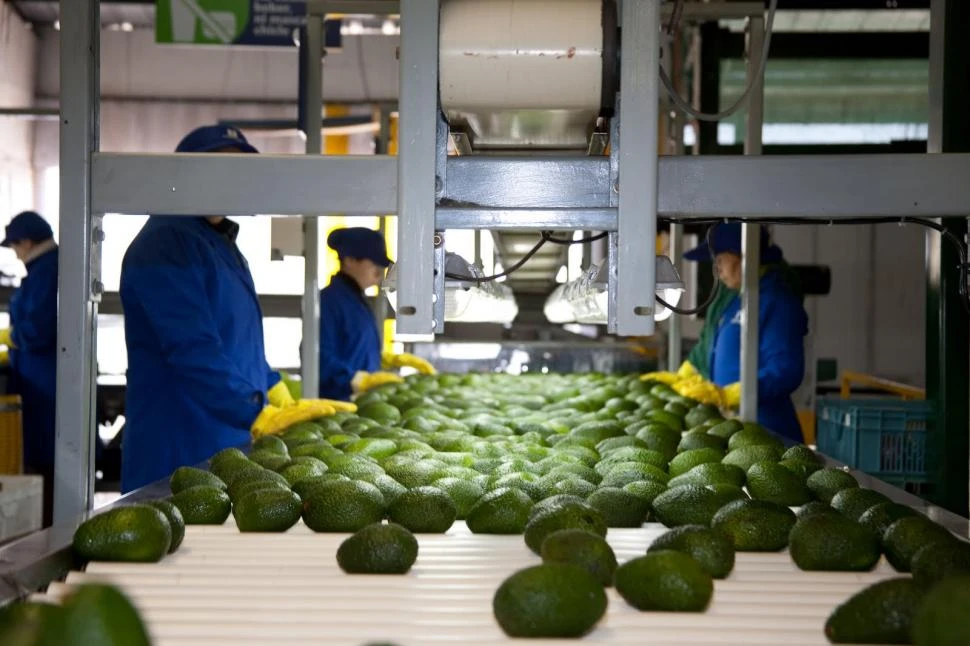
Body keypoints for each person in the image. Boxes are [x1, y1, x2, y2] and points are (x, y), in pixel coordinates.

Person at [119, 125, 334, 492]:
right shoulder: (168, 243)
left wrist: (271, 385)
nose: (233, 181)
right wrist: (254, 410)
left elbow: (234, 338)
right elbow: (191, 348)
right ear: (188, 172)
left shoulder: (217, 241)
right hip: (180, 442)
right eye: (222, 167)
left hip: (223, 439)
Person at [681, 223, 808, 442]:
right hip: (736, 430)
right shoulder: (735, 301)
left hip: (768, 432)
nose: (717, 268)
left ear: (744, 255)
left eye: (720, 259)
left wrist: (738, 392)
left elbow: (786, 369)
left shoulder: (777, 302)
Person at [318, 227, 434, 401]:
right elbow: (319, 357)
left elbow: (352, 348)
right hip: (338, 404)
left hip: (363, 402)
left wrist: (385, 359)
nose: (379, 271)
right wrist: (356, 379)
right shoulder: (329, 301)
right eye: (373, 263)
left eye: (381, 265)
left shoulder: (357, 299)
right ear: (349, 260)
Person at [0, 211, 58, 525]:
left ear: (26, 241)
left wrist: (12, 336)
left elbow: (38, 329)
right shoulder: (45, 269)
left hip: (46, 383)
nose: (15, 253)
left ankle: (48, 533)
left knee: (48, 462)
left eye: (14, 246)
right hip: (40, 378)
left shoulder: (47, 270)